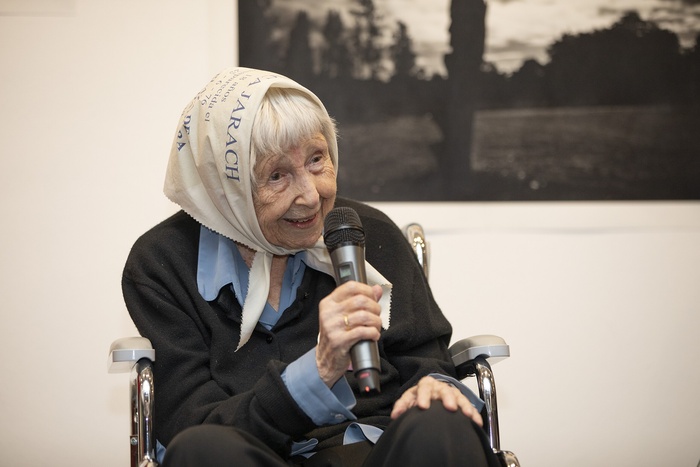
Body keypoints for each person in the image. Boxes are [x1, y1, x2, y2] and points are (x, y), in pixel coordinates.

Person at [122, 67, 499, 467]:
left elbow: (425, 360)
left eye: (317, 159)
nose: (312, 195)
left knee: (444, 421)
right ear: (225, 187)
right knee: (202, 449)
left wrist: (435, 388)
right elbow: (190, 421)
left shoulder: (369, 233)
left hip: (376, 451)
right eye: (277, 175)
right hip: (251, 454)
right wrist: (317, 371)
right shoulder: (163, 263)